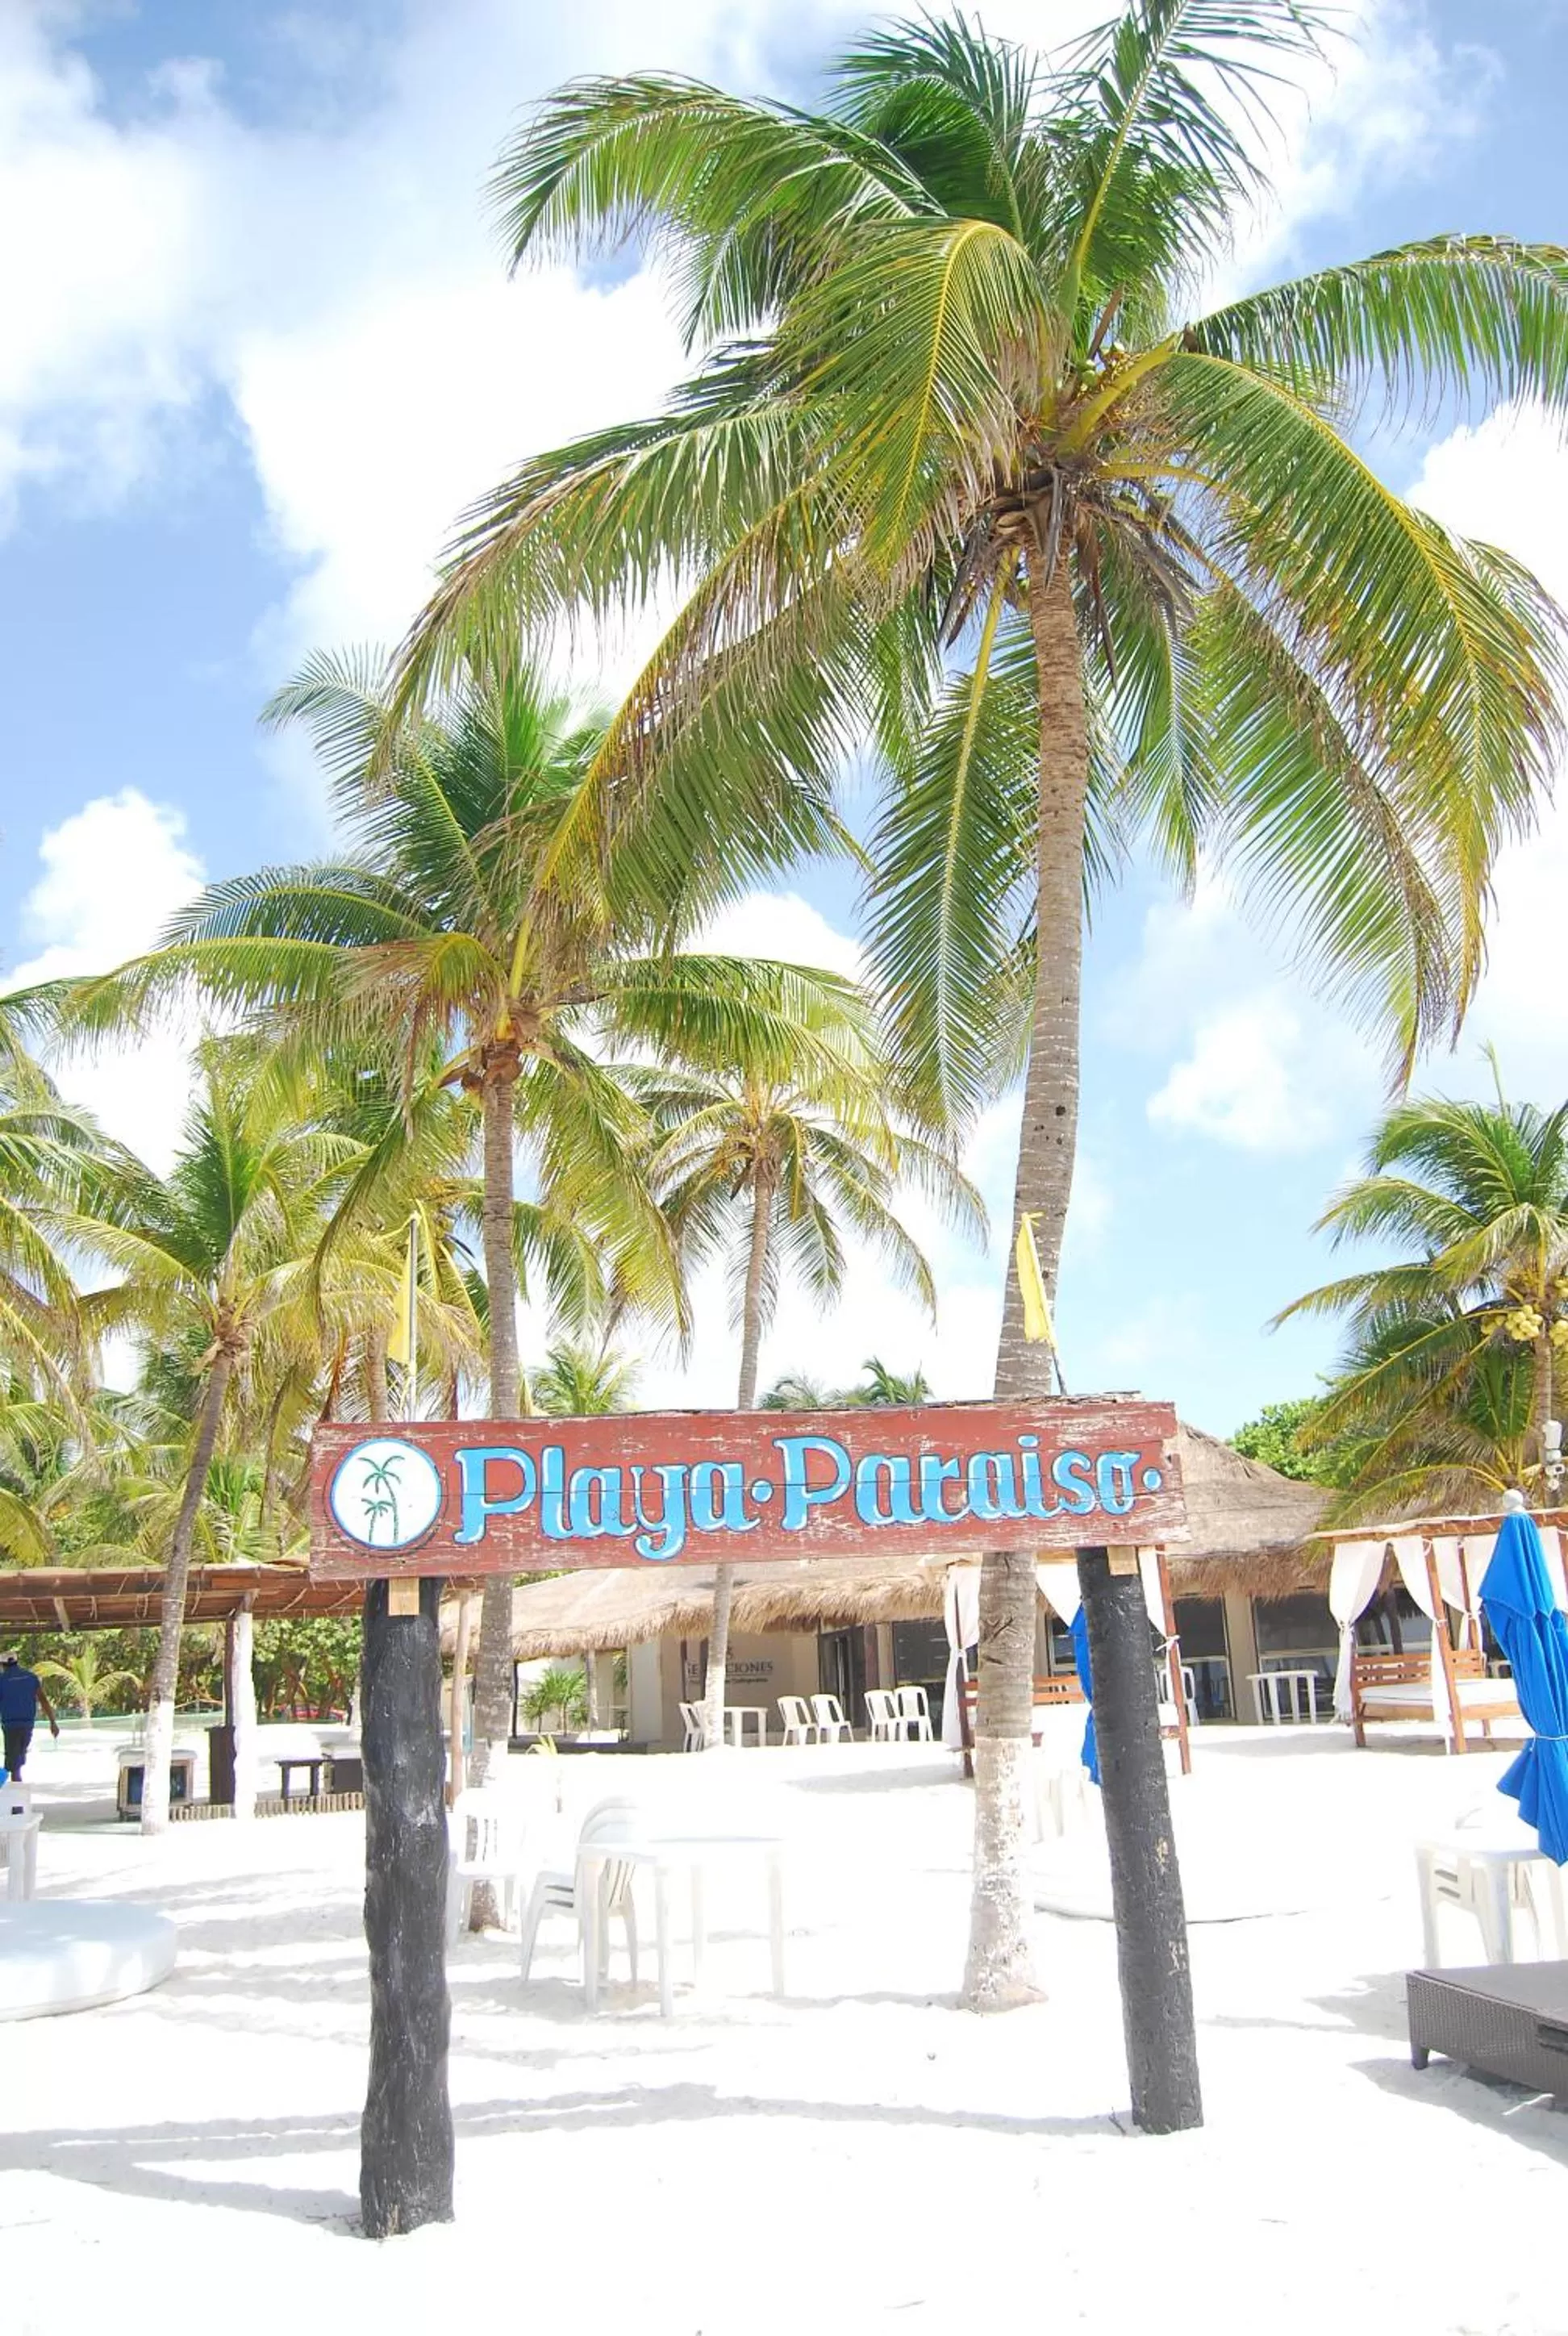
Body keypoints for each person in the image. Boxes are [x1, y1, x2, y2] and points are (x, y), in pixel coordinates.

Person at [0, 1654, 59, 1779]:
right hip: (27, 1725)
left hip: (10, 1725)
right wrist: (53, 1722)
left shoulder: (2, 1679)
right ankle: (15, 1786)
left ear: (2, 1665)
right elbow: (43, 1700)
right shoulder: (31, 1677)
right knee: (17, 1760)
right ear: (17, 1662)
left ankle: (14, 1789)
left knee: (13, 1763)